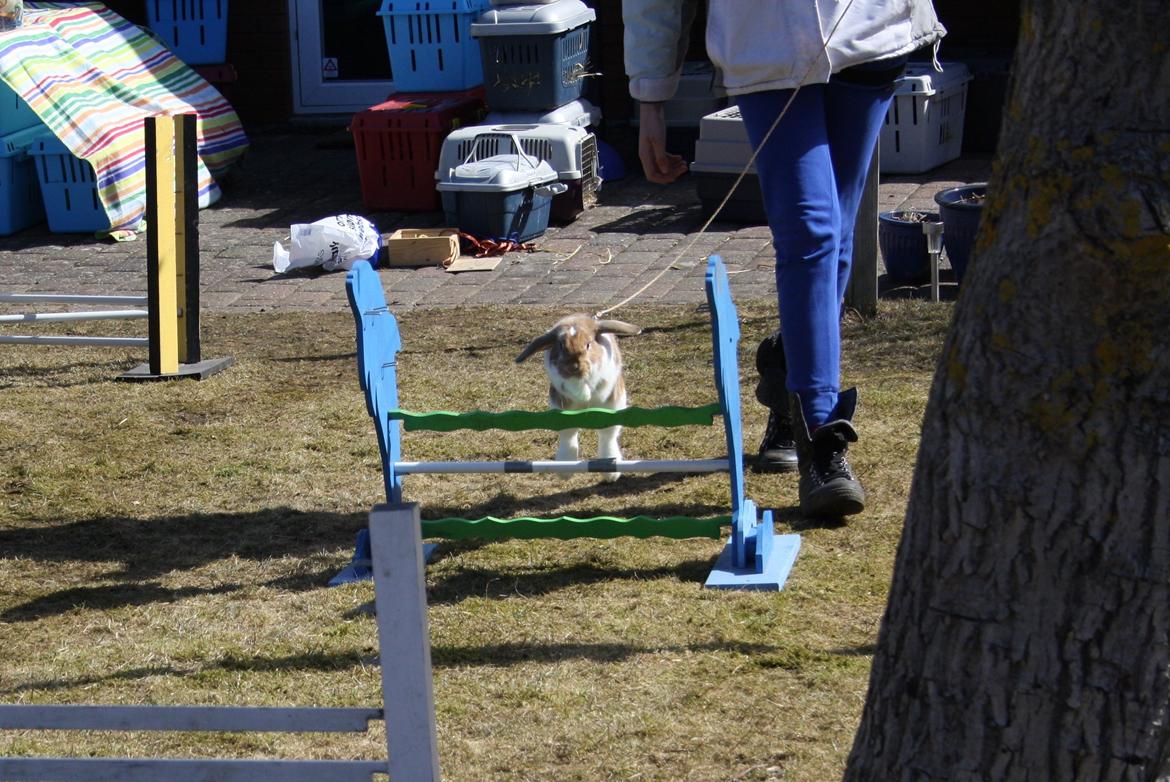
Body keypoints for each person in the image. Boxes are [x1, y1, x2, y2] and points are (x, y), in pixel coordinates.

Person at [623, 0, 946, 518]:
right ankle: (822, 438)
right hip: (765, 48)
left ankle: (789, 367)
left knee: (835, 237)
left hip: (871, 34)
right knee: (810, 232)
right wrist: (651, 97)